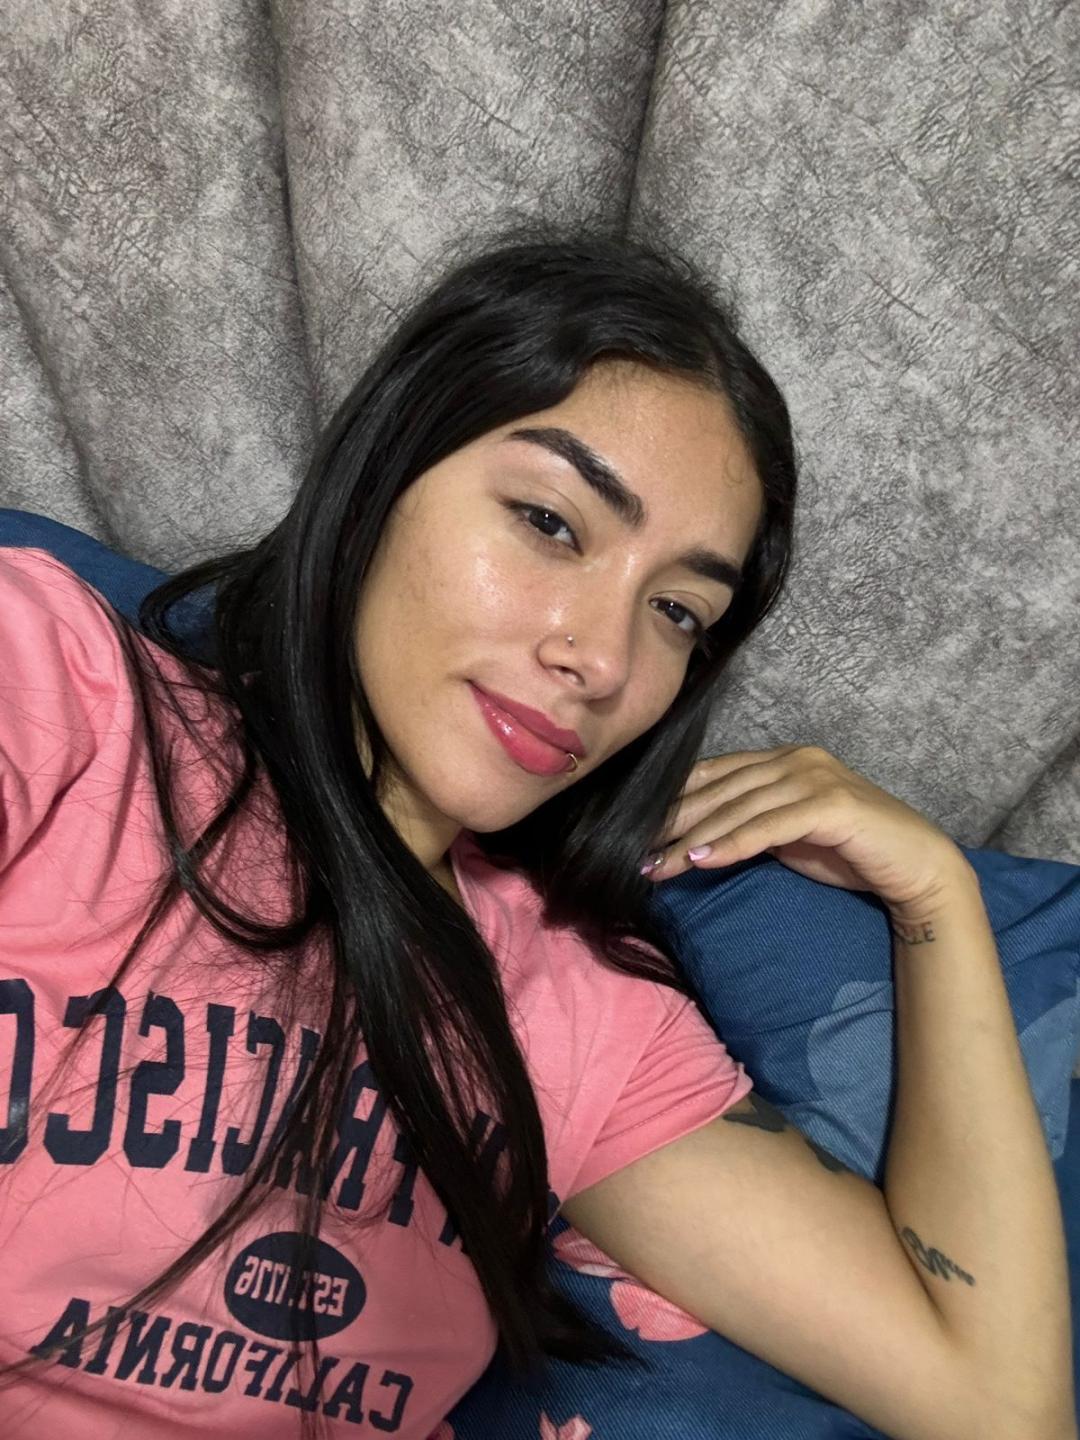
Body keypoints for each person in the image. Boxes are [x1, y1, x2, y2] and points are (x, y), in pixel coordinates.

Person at [12, 221, 1067, 1440]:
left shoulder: (569, 1009)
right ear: (384, 474)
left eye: (676, 611)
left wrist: (935, 900)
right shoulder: (60, 695)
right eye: (551, 523)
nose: (603, 659)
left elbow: (997, 1402)